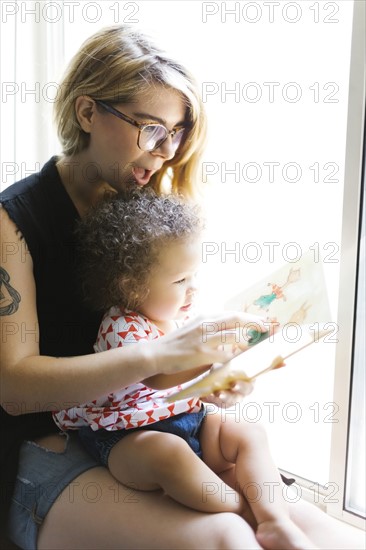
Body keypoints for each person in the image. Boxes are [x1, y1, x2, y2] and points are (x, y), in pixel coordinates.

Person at [0, 24, 363, 550]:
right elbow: (14, 390)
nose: (166, 152)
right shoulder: (14, 222)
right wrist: (161, 353)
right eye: (151, 129)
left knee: (329, 536)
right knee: (228, 536)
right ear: (86, 113)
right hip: (42, 443)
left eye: (175, 134)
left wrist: (211, 372)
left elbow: (159, 339)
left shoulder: (141, 199)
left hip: (150, 422)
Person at [53, 190, 317, 550]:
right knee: (169, 455)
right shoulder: (121, 326)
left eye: (194, 275)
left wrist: (228, 377)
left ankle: (274, 520)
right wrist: (211, 356)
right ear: (132, 287)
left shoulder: (179, 319)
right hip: (127, 436)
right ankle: (240, 509)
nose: (193, 288)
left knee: (246, 431)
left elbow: (191, 387)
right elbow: (157, 375)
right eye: (180, 281)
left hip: (189, 419)